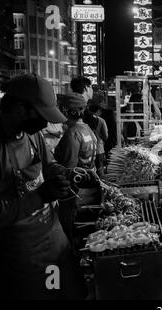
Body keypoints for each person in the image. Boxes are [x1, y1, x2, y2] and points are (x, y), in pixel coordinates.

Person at [0, 73, 89, 300]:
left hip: (55, 241)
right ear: (20, 109)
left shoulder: (33, 135)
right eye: (40, 115)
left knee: (67, 292)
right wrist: (40, 196)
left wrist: (67, 174)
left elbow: (50, 165)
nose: (45, 122)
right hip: (22, 256)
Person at [54, 93, 98, 246]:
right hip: (86, 191)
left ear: (68, 111)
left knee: (71, 233)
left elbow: (69, 169)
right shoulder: (87, 130)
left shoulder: (72, 134)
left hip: (74, 194)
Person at [88, 100, 108, 177]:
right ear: (98, 111)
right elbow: (105, 136)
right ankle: (101, 184)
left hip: (88, 148)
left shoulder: (85, 120)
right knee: (100, 168)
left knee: (90, 169)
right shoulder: (101, 121)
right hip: (99, 148)